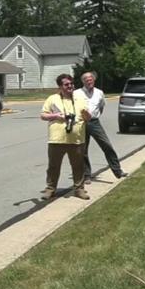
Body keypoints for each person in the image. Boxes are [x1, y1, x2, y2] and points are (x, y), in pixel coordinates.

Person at [40, 73, 91, 201]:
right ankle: (50, 188)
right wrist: (56, 116)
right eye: (66, 84)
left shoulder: (80, 99)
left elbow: (88, 118)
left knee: (78, 165)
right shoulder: (52, 99)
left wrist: (86, 115)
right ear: (60, 86)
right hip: (57, 139)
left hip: (77, 139)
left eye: (71, 83)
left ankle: (79, 189)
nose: (70, 86)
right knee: (53, 166)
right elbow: (43, 115)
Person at [75, 71, 127, 183]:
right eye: (86, 80)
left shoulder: (99, 93)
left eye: (91, 79)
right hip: (81, 123)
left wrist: (94, 116)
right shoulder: (76, 93)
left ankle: (117, 171)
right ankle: (86, 175)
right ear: (83, 81)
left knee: (107, 145)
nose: (89, 81)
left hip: (94, 122)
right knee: (82, 150)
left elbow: (101, 107)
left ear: (94, 80)